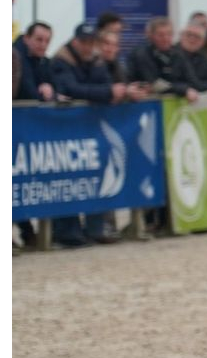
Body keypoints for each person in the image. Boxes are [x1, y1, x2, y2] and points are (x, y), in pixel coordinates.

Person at [48, 23, 142, 247]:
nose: (89, 46)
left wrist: (110, 91)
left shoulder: (94, 60)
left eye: (92, 42)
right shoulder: (61, 60)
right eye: (85, 42)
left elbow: (101, 85)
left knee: (97, 175)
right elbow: (72, 89)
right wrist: (107, 92)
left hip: (91, 128)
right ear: (75, 40)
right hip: (65, 129)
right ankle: (67, 232)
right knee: (67, 179)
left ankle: (95, 228)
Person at [127, 17, 207, 102]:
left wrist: (182, 87)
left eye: (169, 34)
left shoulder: (178, 54)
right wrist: (183, 89)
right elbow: (155, 84)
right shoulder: (141, 54)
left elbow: (193, 82)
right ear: (150, 35)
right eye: (160, 35)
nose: (166, 38)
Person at [14, 22, 56, 103]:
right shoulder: (16, 57)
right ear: (26, 38)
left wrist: (51, 92)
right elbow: (28, 92)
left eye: (47, 41)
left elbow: (58, 88)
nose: (43, 45)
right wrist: (44, 95)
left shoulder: (44, 60)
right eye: (39, 39)